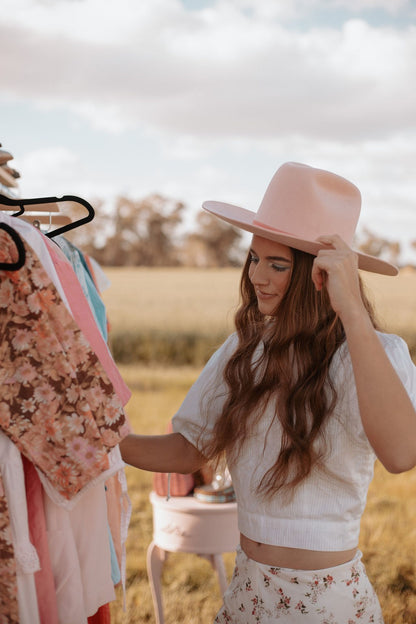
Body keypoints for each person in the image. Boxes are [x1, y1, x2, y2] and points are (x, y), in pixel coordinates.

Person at [120, 162, 416, 622]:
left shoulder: (375, 352)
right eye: (254, 258)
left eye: (278, 265)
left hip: (325, 605)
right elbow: (189, 448)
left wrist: (353, 312)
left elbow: (401, 453)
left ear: (322, 273)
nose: (258, 276)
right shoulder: (244, 348)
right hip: (246, 595)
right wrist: (106, 441)